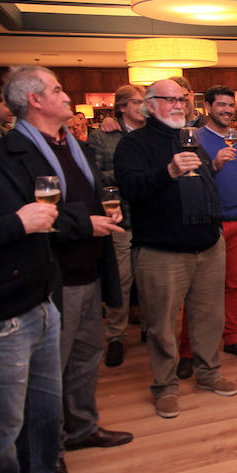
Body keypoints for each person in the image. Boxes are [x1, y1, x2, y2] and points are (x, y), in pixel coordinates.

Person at [2, 66, 132, 473]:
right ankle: (49, 454)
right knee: (47, 375)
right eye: (57, 89)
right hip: (53, 272)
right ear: (35, 100)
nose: (67, 97)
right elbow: (32, 214)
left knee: (85, 356)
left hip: (88, 264)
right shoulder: (14, 151)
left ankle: (81, 426)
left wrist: (102, 217)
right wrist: (86, 223)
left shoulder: (72, 145)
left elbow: (87, 195)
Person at [0, 140, 101, 473]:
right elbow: (18, 219)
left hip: (36, 298)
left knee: (41, 412)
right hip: (1, 313)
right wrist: (18, 223)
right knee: (4, 433)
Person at [114, 79, 237, 419]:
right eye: (169, 100)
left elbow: (203, 183)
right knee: (162, 325)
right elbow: (130, 188)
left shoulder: (190, 138)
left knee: (208, 317)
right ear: (150, 105)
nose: (179, 105)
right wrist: (168, 171)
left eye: (181, 99)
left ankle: (209, 373)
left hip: (208, 245)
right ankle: (165, 386)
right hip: (162, 251)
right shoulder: (133, 144)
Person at [177, 85, 237, 362]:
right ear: (208, 108)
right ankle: (188, 350)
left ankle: (233, 338)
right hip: (208, 225)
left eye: (230, 105)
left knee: (235, 285)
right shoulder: (194, 139)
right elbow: (187, 184)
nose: (227, 110)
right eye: (221, 105)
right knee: (199, 290)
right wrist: (213, 166)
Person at [86, 83, 145, 367]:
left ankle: (148, 328)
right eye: (137, 102)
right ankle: (117, 336)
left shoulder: (152, 133)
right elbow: (95, 178)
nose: (143, 106)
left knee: (150, 279)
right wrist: (127, 175)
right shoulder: (102, 136)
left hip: (151, 217)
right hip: (121, 218)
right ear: (122, 107)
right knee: (121, 280)